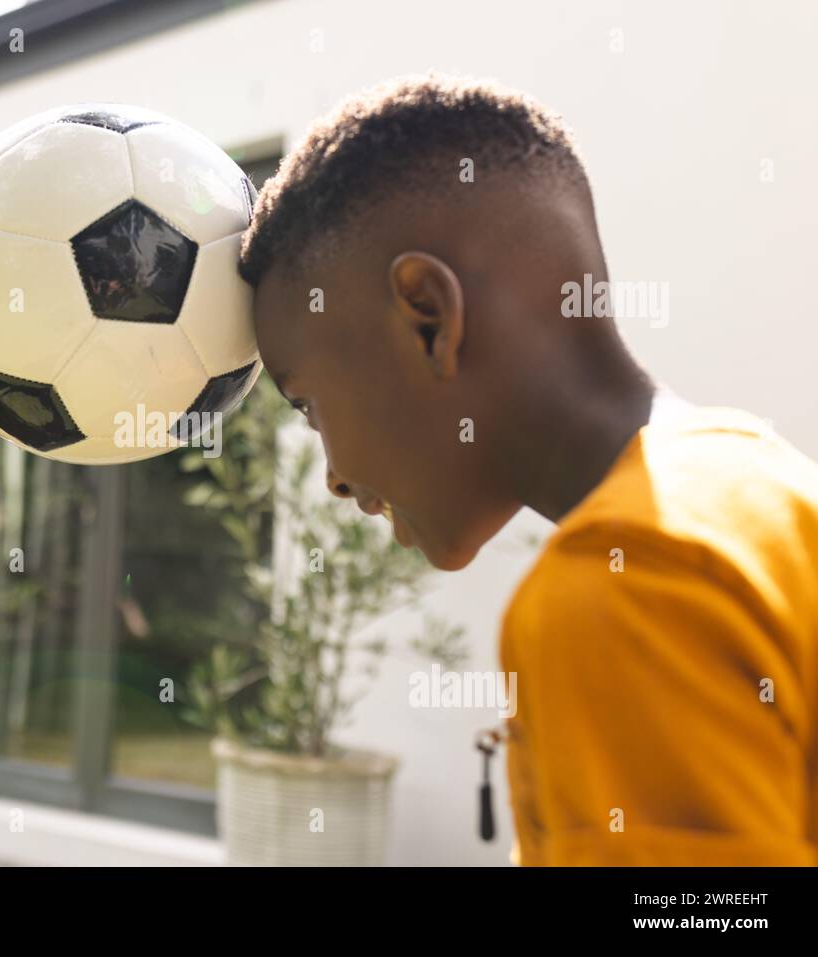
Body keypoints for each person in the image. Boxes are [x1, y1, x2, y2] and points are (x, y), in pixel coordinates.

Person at [238, 73, 818, 865]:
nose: (333, 478)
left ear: (428, 319)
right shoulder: (761, 484)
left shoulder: (624, 587)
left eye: (307, 405)